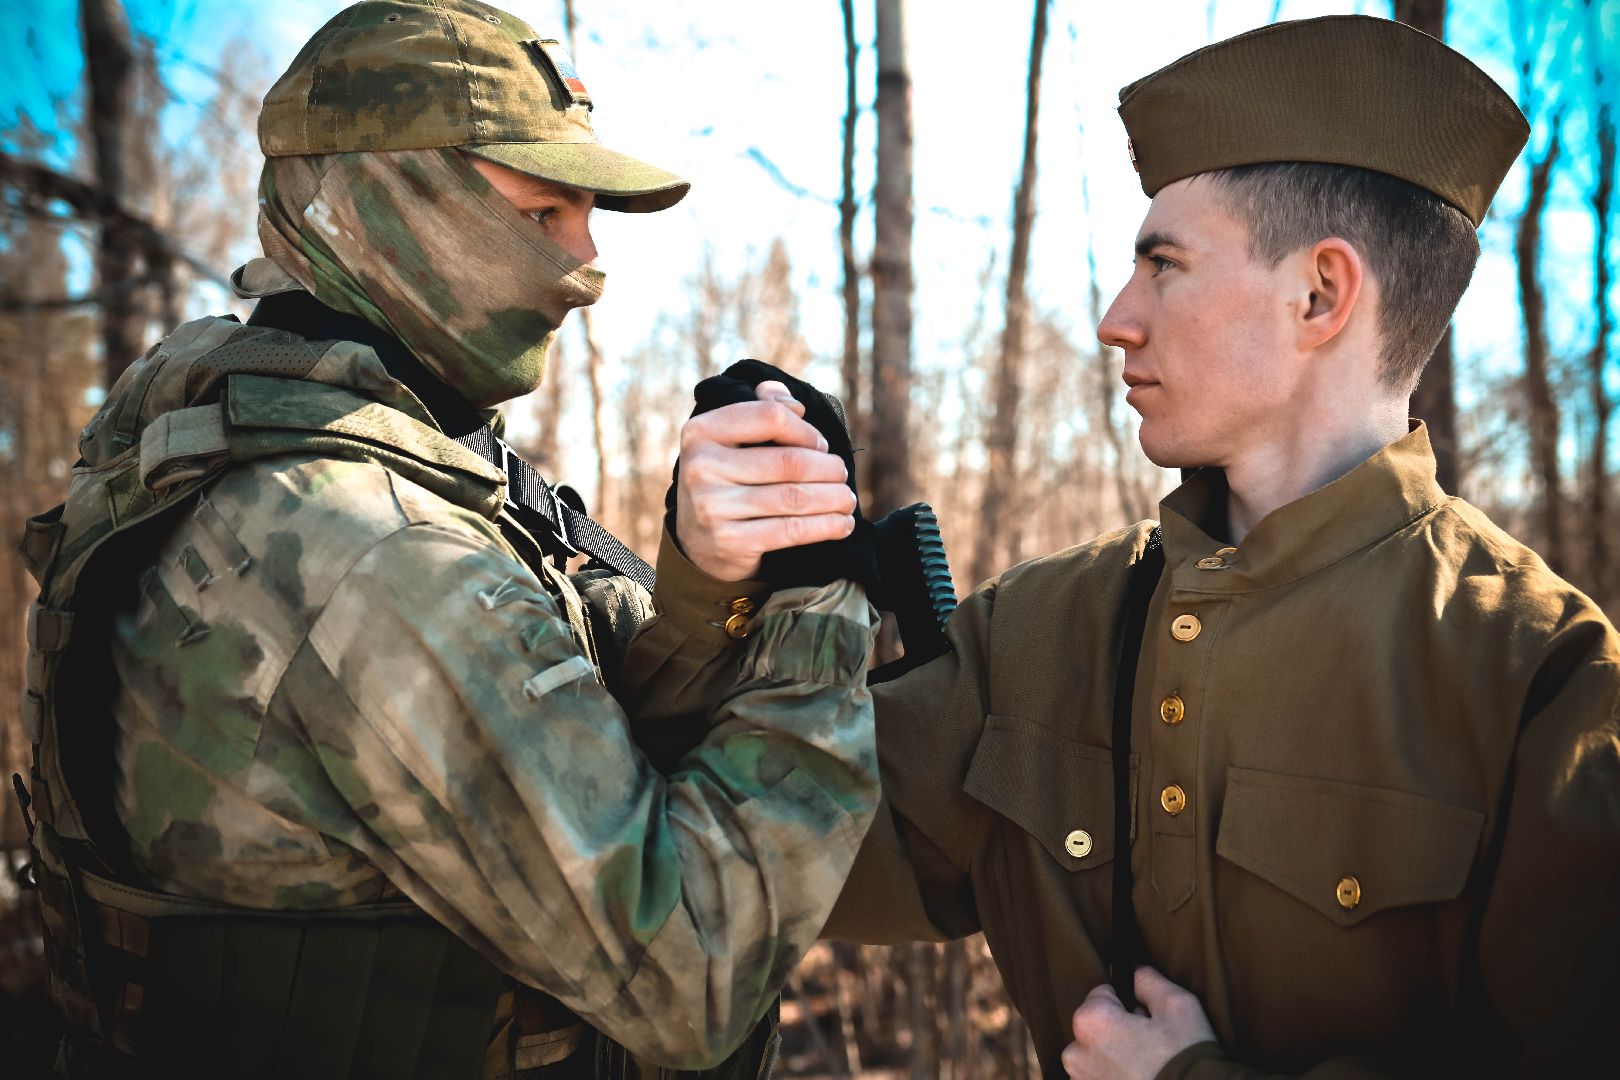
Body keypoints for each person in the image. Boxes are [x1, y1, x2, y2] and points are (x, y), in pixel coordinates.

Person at [643, 14, 1620, 1079]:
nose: (1116, 318)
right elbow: (745, 855)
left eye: (1164, 263)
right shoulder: (1039, 629)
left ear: (1320, 295)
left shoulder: (1542, 679)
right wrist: (717, 583)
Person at [16, 1, 880, 1077]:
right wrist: (813, 601)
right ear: (388, 199)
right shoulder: (373, 550)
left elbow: (578, 759)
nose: (586, 261)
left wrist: (708, 594)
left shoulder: (212, 442)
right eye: (543, 212)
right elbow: (692, 969)